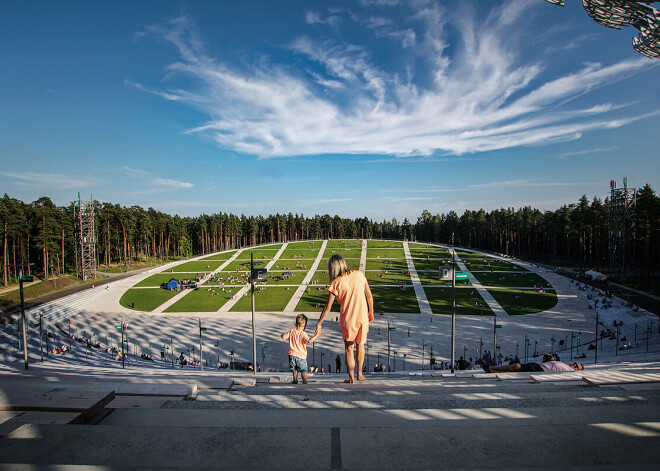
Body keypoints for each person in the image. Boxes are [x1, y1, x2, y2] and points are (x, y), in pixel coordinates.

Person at [315, 255, 374, 383]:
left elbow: (328, 306)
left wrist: (319, 322)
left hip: (348, 319)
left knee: (349, 348)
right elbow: (369, 295)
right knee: (361, 344)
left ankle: (351, 378)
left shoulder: (336, 282)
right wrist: (371, 311)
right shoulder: (359, 274)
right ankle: (359, 374)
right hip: (362, 316)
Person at [281, 313, 320, 384]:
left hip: (292, 354)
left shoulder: (291, 331)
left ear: (296, 324)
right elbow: (309, 341)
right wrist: (316, 335)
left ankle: (295, 379)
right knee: (303, 369)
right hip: (301, 355)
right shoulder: (303, 334)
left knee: (294, 369)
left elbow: (284, 337)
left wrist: (282, 335)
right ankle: (304, 381)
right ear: (304, 326)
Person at [484, 359, 583, 373]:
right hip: (539, 365)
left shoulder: (569, 370)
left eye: (577, 367)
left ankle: (492, 368)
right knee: (516, 368)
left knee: (517, 366)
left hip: (541, 369)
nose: (574, 365)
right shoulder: (566, 365)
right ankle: (493, 370)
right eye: (576, 363)